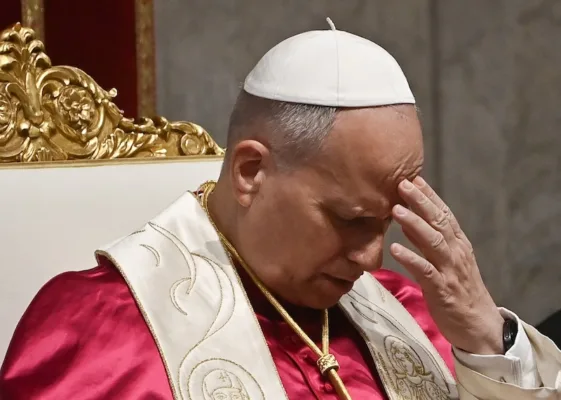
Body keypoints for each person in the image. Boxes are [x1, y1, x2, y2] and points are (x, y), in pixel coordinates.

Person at [1, 19, 560, 400]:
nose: (372, 259)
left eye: (386, 222)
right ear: (250, 172)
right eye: (350, 219)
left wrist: (486, 340)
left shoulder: (409, 314)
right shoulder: (101, 328)